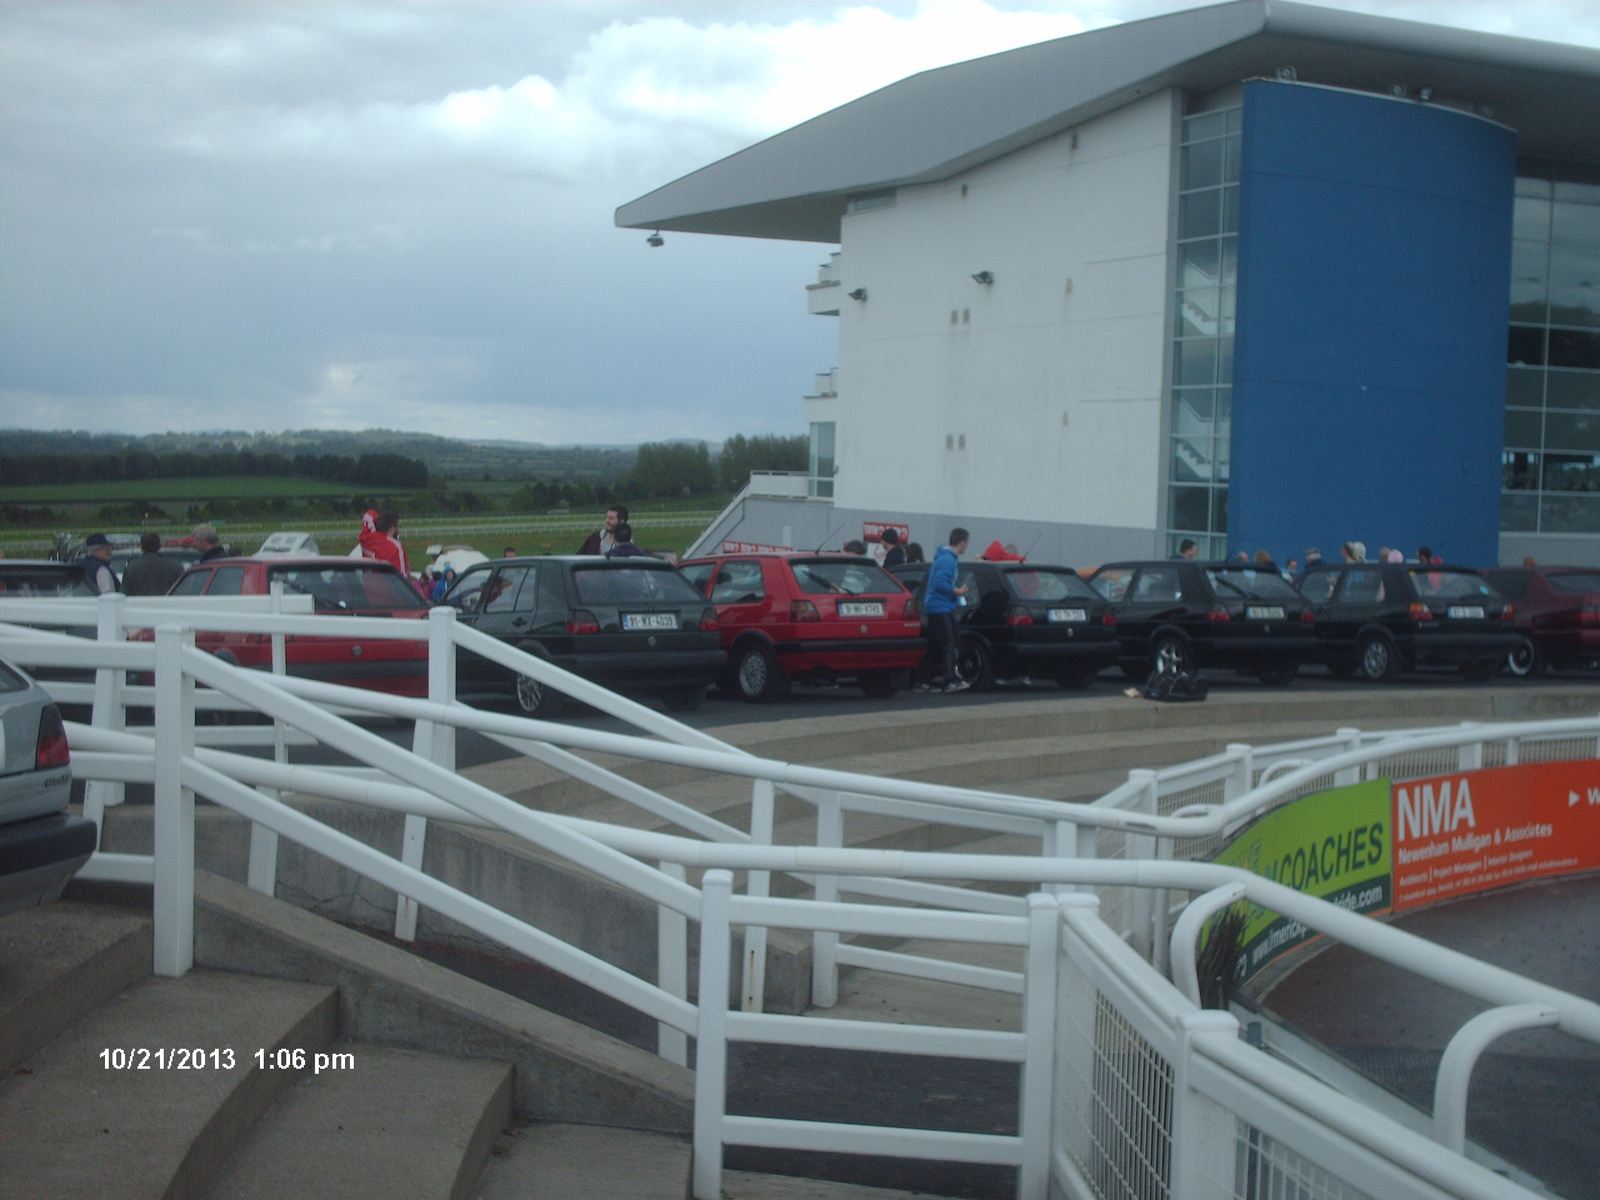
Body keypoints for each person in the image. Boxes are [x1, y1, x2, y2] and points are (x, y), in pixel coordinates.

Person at [921, 528, 971, 694]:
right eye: (967, 543)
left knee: (935, 645)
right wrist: (958, 591)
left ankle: (925, 680)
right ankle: (951, 679)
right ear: (963, 542)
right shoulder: (948, 560)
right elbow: (939, 582)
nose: (967, 547)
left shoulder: (944, 558)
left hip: (937, 606)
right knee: (951, 642)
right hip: (941, 607)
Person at [121, 532, 184, 596]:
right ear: (159, 546)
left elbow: (124, 595)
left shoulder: (130, 569)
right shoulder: (175, 568)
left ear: (142, 547)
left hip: (139, 605)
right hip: (167, 604)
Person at [359, 509, 410, 576]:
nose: (398, 529)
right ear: (392, 529)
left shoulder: (367, 539)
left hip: (367, 585)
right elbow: (401, 579)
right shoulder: (396, 548)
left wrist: (381, 521)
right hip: (386, 585)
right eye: (398, 526)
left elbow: (369, 514)